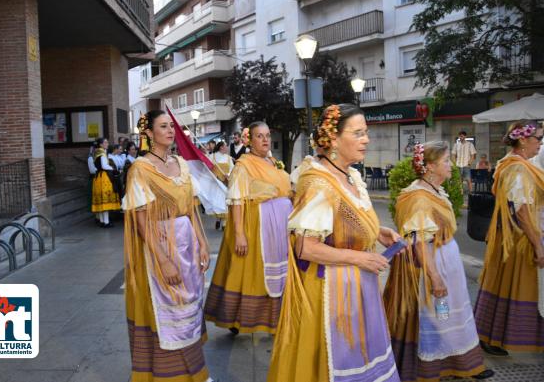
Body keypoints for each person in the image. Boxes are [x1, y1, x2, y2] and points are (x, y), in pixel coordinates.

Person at [268, 104, 401, 382]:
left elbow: (345, 218)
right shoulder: (319, 184)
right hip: (332, 288)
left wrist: (378, 232)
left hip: (357, 285)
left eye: (366, 132)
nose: (366, 139)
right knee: (333, 363)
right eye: (359, 133)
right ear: (334, 140)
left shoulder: (349, 174)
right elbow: (306, 247)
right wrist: (360, 258)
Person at [383, 142, 493, 381]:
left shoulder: (433, 191)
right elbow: (421, 242)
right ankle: (437, 366)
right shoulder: (420, 198)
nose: (451, 166)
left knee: (449, 314)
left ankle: (458, 363)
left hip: (445, 263)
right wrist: (435, 278)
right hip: (434, 265)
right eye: (446, 161)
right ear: (430, 167)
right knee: (438, 314)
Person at [122, 109, 211, 382]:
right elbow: (140, 219)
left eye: (171, 126)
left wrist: (202, 243)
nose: (171, 130)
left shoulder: (181, 165)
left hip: (188, 245)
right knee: (169, 308)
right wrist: (162, 259)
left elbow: (191, 210)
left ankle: (196, 371)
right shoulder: (141, 169)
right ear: (148, 133)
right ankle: (171, 375)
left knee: (191, 307)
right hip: (161, 245)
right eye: (163, 126)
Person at [204, 121, 292, 335]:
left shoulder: (272, 161)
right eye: (259, 136)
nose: (265, 140)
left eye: (267, 135)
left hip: (278, 229)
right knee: (246, 273)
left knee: (272, 275)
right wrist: (240, 234)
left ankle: (274, 318)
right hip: (255, 227)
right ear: (249, 140)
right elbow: (236, 201)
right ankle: (236, 318)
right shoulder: (243, 166)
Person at [474, 121, 544, 355]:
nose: (540, 143)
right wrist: (537, 243)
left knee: (498, 284)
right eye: (538, 139)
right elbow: (522, 209)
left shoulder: (508, 163)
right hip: (516, 239)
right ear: (523, 140)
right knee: (511, 286)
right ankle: (494, 337)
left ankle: (491, 336)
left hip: (506, 234)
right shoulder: (519, 168)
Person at [91, 137, 120, 227]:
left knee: (101, 200)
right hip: (104, 177)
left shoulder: (96, 152)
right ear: (101, 144)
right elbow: (104, 166)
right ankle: (106, 222)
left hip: (98, 177)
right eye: (105, 142)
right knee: (105, 199)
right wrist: (113, 169)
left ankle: (103, 221)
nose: (107, 144)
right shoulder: (102, 153)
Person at [209, 140, 234, 230]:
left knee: (225, 202)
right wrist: (214, 175)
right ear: (221, 147)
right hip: (216, 183)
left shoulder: (228, 158)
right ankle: (218, 219)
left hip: (225, 182)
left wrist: (229, 174)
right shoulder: (212, 156)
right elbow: (208, 167)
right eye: (225, 145)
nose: (227, 147)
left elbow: (232, 168)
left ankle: (224, 222)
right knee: (218, 201)